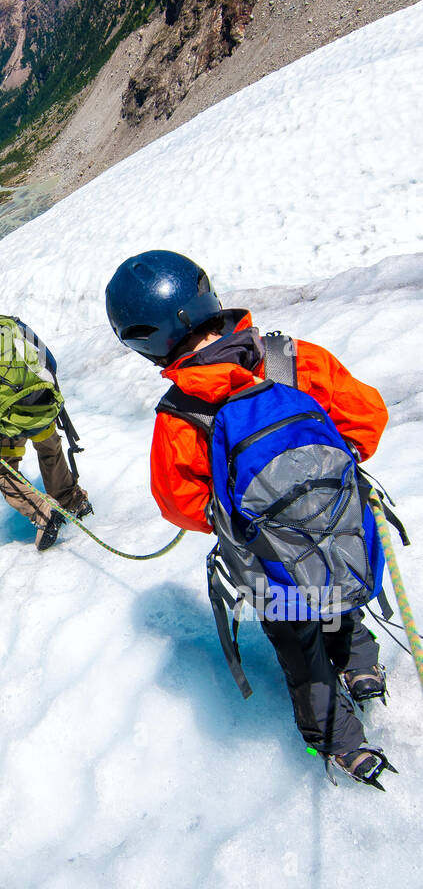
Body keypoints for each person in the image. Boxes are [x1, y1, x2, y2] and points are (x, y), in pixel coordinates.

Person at [105, 249, 395, 788]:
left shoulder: (180, 415)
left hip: (265, 563)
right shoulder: (292, 358)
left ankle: (339, 746)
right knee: (337, 587)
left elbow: (180, 504)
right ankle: (362, 668)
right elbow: (366, 419)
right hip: (340, 528)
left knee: (298, 644)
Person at [0, 272, 92, 552]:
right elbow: (51, 363)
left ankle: (43, 512)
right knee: (51, 451)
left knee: (2, 469)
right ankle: (72, 500)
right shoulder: (15, 325)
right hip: (42, 408)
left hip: (3, 425)